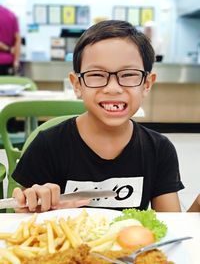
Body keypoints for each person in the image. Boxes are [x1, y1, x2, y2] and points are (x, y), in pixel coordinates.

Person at [12, 20, 184, 213]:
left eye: (128, 75)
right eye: (96, 75)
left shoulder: (159, 150)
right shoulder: (47, 145)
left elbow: (173, 226)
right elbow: (24, 218)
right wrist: (32, 206)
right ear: (77, 84)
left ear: (147, 84)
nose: (113, 88)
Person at [0, 5, 21, 75]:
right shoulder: (11, 14)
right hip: (8, 63)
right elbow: (18, 39)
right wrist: (16, 61)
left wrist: (8, 49)